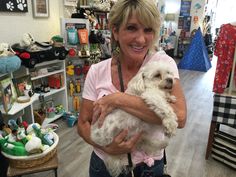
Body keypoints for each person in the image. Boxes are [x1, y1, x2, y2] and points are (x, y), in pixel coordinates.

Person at [77, 0, 187, 177]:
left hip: (150, 166)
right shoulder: (97, 71)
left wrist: (117, 99)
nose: (141, 39)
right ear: (115, 31)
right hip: (104, 165)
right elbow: (83, 123)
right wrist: (105, 146)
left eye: (148, 30)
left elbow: (179, 118)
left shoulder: (162, 63)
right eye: (131, 28)